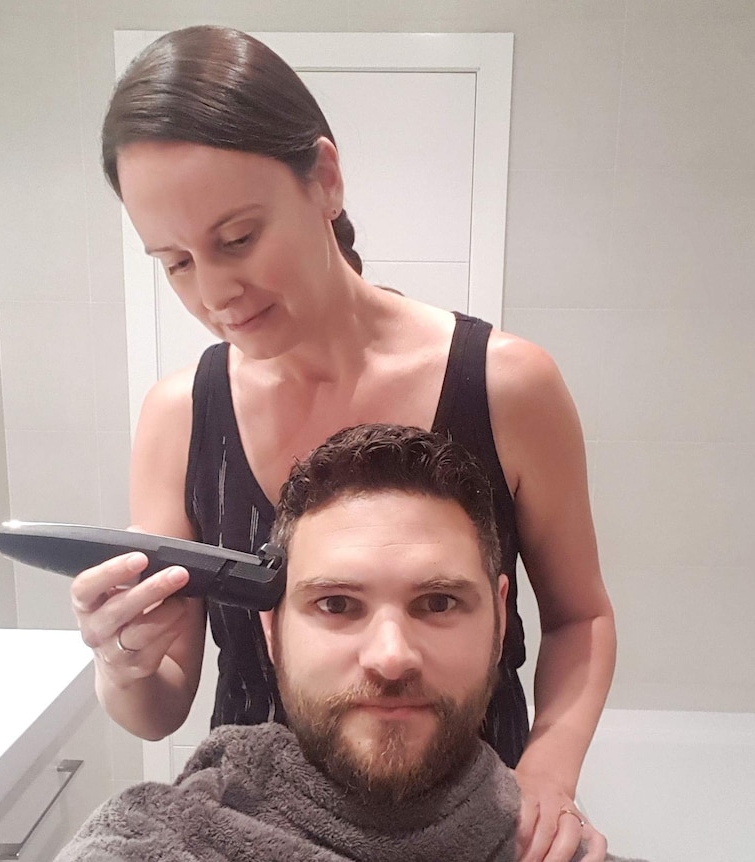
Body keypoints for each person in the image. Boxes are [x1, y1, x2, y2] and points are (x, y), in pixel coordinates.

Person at [70, 25, 617, 862]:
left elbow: (581, 616)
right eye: (175, 262)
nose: (215, 293)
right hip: (261, 822)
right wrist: (124, 664)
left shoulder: (506, 386)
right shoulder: (180, 416)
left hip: (466, 811)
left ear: (324, 180)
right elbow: (162, 704)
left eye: (237, 238)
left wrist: (548, 770)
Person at [59, 426, 640, 862]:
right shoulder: (157, 838)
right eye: (336, 604)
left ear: (500, 620)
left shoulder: (558, 850)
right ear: (272, 632)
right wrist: (122, 663)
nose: (390, 657)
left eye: (438, 603)